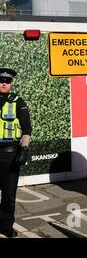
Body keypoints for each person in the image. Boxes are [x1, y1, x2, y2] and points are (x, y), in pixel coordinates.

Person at [0, 68, 32, 238]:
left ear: (11, 84)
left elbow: (27, 129)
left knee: (8, 194)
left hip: (10, 154)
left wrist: (24, 149)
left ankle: (6, 226)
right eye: (1, 80)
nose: (4, 83)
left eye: (8, 81)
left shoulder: (18, 102)